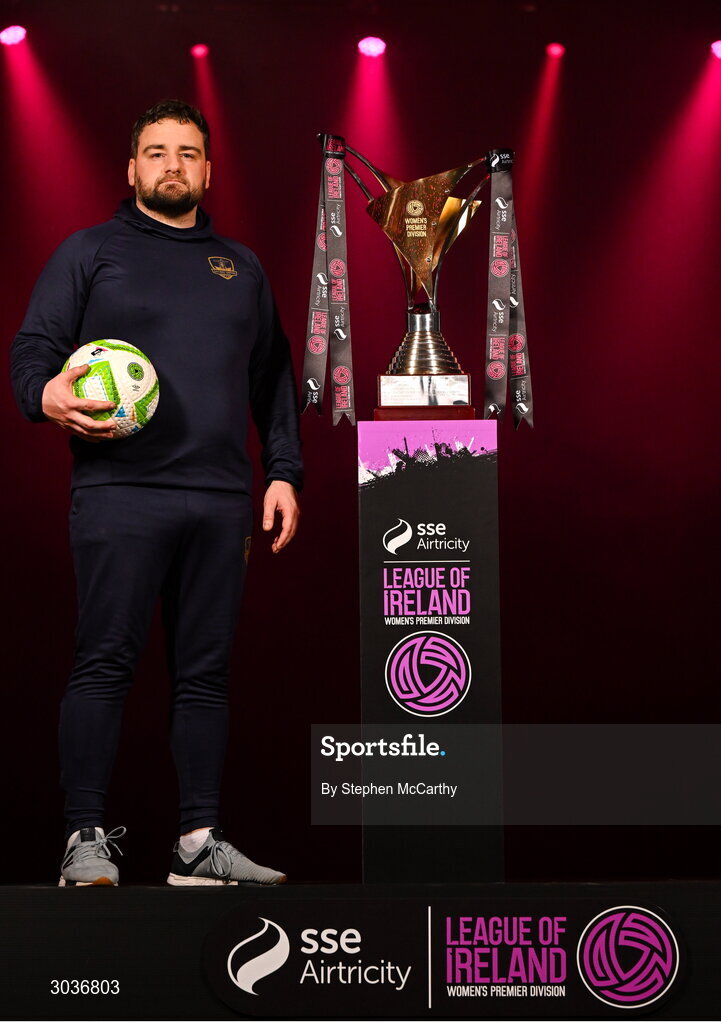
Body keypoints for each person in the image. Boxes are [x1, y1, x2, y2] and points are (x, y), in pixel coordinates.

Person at [10, 100, 302, 887]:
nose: (172, 165)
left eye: (187, 153)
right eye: (156, 151)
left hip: (220, 499)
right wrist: (47, 394)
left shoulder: (240, 267)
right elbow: (33, 349)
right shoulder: (91, 251)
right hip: (119, 491)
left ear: (208, 170)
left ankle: (197, 844)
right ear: (131, 167)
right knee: (104, 661)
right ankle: (83, 839)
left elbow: (273, 377)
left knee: (205, 673)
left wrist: (283, 470)